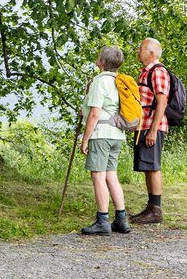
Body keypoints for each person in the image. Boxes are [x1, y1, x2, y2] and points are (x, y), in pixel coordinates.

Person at [79, 45, 130, 236]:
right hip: (117, 133)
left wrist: (85, 140)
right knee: (111, 175)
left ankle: (102, 221)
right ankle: (121, 219)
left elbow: (94, 114)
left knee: (98, 176)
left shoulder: (100, 82)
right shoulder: (120, 81)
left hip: (101, 133)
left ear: (102, 61)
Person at [130, 38, 168, 224]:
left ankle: (156, 210)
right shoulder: (145, 72)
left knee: (153, 167)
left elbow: (162, 102)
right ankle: (151, 207)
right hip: (143, 125)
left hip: (152, 125)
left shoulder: (157, 71)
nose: (139, 51)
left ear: (151, 53)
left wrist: (153, 130)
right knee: (147, 167)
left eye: (141, 48)